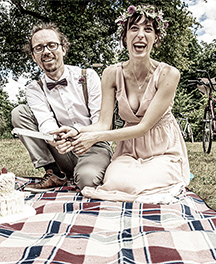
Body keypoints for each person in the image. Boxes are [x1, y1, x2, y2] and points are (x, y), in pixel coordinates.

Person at [53, 5, 190, 203]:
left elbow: (143, 127)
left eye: (148, 29)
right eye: (134, 28)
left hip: (163, 150)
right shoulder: (111, 74)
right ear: (125, 36)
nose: (140, 35)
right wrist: (78, 132)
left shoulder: (169, 74)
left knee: (139, 186)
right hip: (129, 151)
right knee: (115, 182)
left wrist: (95, 138)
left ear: (156, 38)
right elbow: (103, 124)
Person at [11, 22, 112, 192]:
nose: (46, 52)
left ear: (63, 49)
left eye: (52, 45)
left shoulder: (88, 77)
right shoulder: (34, 88)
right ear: (33, 56)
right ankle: (55, 173)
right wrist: (56, 140)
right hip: (61, 150)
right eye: (39, 48)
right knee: (19, 113)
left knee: (87, 182)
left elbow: (101, 121)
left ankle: (85, 171)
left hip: (93, 144)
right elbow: (45, 122)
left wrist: (78, 133)